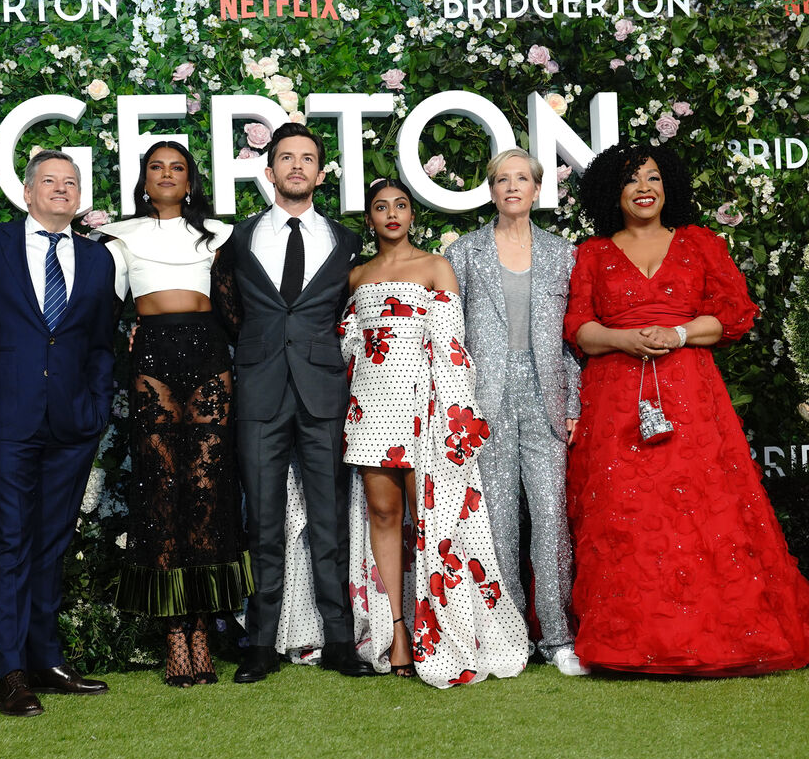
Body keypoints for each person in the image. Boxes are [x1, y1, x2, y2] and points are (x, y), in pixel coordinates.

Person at [565, 142, 809, 675]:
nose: (645, 188)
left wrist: (676, 332)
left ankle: (717, 633)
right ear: (613, 193)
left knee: (702, 511)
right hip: (616, 400)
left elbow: (734, 315)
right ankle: (632, 639)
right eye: (632, 180)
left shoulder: (698, 243)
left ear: (667, 186)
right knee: (627, 516)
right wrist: (625, 340)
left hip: (689, 394)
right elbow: (579, 327)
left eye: (653, 177)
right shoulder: (593, 254)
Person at [0, 149, 117, 715]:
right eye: (50, 181)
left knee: (52, 542)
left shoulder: (97, 260)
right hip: (8, 419)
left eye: (71, 182)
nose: (62, 189)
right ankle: (10, 671)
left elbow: (99, 344)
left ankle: (45, 659)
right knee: (13, 539)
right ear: (27, 192)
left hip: (72, 423)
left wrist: (94, 406)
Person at [341, 178, 529, 687]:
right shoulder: (357, 276)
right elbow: (348, 348)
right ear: (370, 220)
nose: (392, 214)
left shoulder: (434, 267)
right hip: (371, 409)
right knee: (382, 513)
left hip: (424, 411)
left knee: (432, 518)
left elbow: (452, 348)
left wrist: (453, 419)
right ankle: (397, 631)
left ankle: (444, 633)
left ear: (412, 214)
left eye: (401, 205)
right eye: (381, 207)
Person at [90, 141, 252, 687]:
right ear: (143, 179)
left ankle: (203, 628)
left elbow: (235, 314)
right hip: (152, 360)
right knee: (162, 492)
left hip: (208, 358)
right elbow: (106, 313)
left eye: (177, 168)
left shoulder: (219, 237)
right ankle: (174, 634)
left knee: (208, 490)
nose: (166, 175)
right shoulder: (118, 238)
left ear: (190, 182)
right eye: (156, 167)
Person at [224, 122, 374, 682]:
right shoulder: (239, 239)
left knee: (329, 521)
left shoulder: (345, 240)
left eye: (306, 159)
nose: (295, 167)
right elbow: (227, 311)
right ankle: (260, 644)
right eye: (285, 157)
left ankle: (339, 642)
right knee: (261, 522)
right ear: (269, 171)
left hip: (323, 393)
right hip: (259, 393)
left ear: (320, 173)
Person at [447, 149, 587, 676]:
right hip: (486, 400)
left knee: (551, 519)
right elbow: (451, 335)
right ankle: (507, 636)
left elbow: (573, 341)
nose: (512, 187)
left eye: (521, 179)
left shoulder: (563, 254)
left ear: (536, 189)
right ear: (491, 190)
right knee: (497, 522)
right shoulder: (466, 253)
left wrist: (573, 404)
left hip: (546, 396)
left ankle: (556, 637)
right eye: (502, 179)